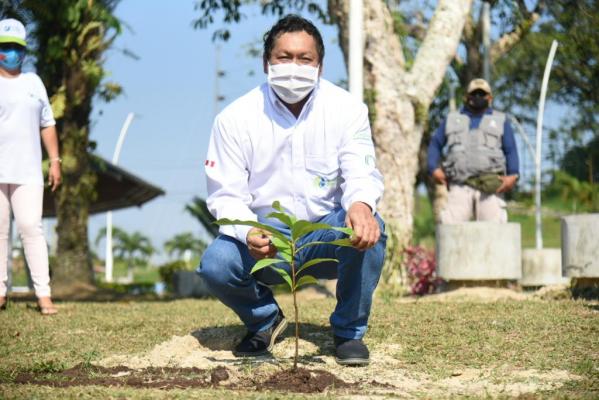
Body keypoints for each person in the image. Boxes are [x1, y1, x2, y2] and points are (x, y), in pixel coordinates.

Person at [198, 14, 386, 366]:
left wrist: (361, 205)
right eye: (284, 57)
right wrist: (249, 230)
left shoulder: (347, 109)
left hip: (325, 232)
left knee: (370, 227)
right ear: (266, 62)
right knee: (217, 264)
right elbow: (226, 194)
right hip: (267, 238)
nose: (294, 67)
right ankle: (264, 319)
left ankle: (349, 333)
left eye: (305, 59)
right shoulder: (235, 119)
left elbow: (360, 171)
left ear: (320, 65)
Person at [0, 18, 61, 315]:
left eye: (16, 47)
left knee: (30, 228)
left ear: (24, 50)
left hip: (28, 171)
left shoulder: (34, 82)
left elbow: (47, 124)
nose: (11, 52)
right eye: (5, 47)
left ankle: (43, 294)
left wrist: (55, 161)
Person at [427, 78, 519, 223]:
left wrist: (513, 175)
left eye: (482, 94)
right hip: (459, 184)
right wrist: (433, 168)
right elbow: (435, 144)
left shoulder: (501, 120)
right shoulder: (451, 119)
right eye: (474, 94)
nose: (478, 98)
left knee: (494, 230)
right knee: (450, 227)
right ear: (466, 97)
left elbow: (511, 149)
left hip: (490, 185)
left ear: (489, 97)